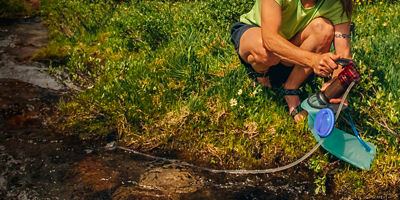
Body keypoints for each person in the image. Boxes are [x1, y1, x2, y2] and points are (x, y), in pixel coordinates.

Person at [231, 0, 353, 122]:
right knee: (265, 53)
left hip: (293, 48)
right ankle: (261, 74)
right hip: (257, 34)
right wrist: (313, 60)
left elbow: (343, 54)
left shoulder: (338, 3)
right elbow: (269, 40)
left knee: (324, 29)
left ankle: (291, 87)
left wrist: (338, 84)